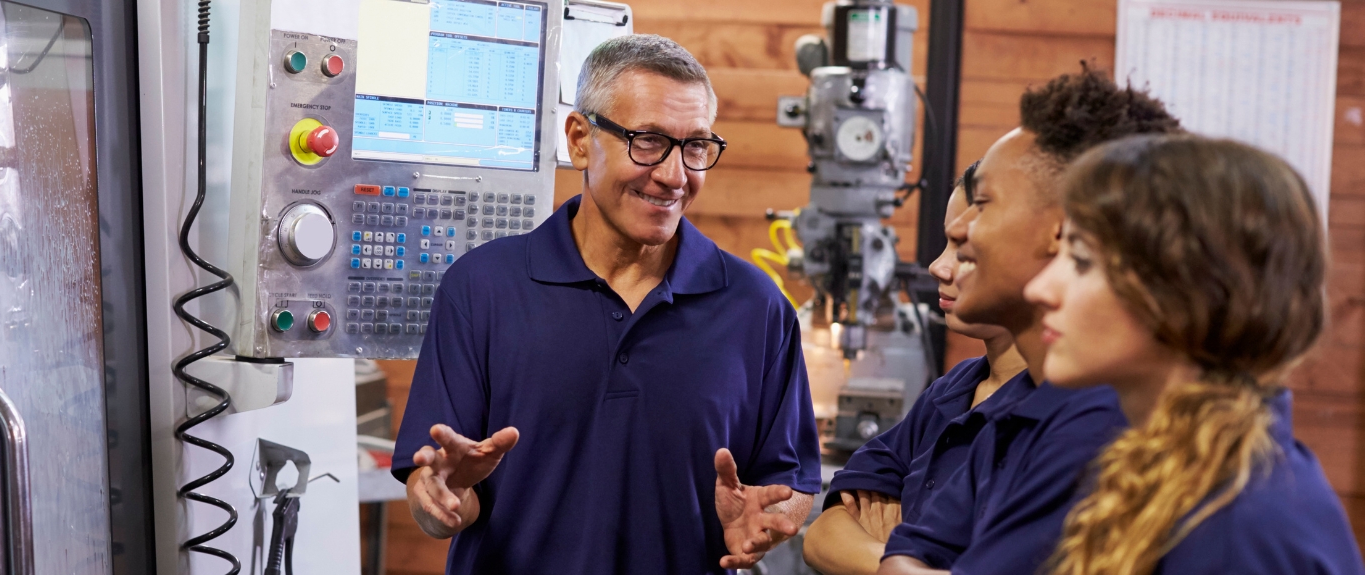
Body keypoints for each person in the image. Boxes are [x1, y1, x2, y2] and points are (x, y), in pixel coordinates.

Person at [389, 34, 820, 573]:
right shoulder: (482, 288)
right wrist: (442, 499)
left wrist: (774, 518)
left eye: (696, 147)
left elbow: (790, 480)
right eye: (648, 141)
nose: (673, 175)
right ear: (579, 140)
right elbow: (439, 498)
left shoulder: (757, 307)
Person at [874, 65, 1180, 575]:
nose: (961, 230)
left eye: (985, 204)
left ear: (1062, 229)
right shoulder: (1011, 408)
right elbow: (902, 558)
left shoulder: (1104, 420)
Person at [1026, 135, 1365, 575]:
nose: (1037, 290)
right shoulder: (1180, 463)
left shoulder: (1239, 523)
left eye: (1082, 260)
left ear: (1187, 295)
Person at [802, 164, 1032, 575]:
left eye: (964, 251)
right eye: (947, 243)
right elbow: (822, 535)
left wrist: (889, 550)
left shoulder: (1051, 412)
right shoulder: (953, 390)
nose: (938, 267)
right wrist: (902, 563)